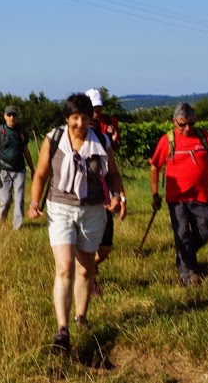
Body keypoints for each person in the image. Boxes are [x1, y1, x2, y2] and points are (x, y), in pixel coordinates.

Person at [28, 93, 127, 352]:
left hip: (93, 211)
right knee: (65, 269)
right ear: (66, 118)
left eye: (84, 118)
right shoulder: (54, 140)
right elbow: (40, 174)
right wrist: (34, 203)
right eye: (74, 118)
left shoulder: (101, 141)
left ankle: (80, 317)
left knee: (85, 270)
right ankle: (62, 330)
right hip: (60, 209)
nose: (80, 124)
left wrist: (117, 196)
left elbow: (113, 175)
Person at [150, 102, 208, 286]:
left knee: (206, 230)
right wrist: (155, 193)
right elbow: (155, 166)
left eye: (191, 123)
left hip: (201, 196)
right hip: (177, 199)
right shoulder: (167, 140)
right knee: (182, 233)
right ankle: (188, 274)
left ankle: (184, 255)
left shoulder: (204, 137)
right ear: (174, 121)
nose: (187, 128)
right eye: (182, 124)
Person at [85, 88, 122, 297]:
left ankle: (88, 268)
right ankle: (88, 279)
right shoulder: (75, 131)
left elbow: (114, 153)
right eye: (93, 109)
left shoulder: (109, 124)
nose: (97, 113)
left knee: (106, 247)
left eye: (99, 108)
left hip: (106, 188)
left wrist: (119, 196)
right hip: (86, 198)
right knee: (89, 244)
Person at [0, 105, 35, 230]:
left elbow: (26, 152)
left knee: (19, 199)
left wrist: (32, 169)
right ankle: (1, 222)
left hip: (20, 171)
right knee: (5, 200)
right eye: (9, 115)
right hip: (4, 171)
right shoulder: (0, 132)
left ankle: (17, 227)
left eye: (14, 115)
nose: (11, 118)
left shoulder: (21, 132)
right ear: (4, 116)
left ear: (17, 117)